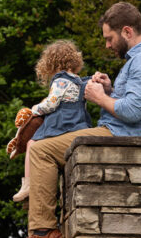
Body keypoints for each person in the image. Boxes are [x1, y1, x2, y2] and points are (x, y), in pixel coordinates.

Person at [14, 2, 141, 238]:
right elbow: (135, 103)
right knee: (42, 144)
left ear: (127, 31)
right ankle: (43, 230)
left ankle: (43, 233)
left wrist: (99, 98)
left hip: (124, 137)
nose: (108, 45)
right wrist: (110, 90)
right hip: (121, 131)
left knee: (40, 150)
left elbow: (132, 113)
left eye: (110, 38)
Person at [10, 40, 94, 203]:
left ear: (51, 64)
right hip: (77, 123)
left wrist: (34, 109)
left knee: (32, 144)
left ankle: (27, 185)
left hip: (61, 122)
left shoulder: (60, 81)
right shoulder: (78, 81)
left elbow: (52, 103)